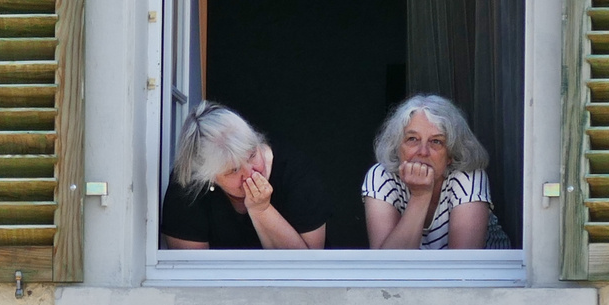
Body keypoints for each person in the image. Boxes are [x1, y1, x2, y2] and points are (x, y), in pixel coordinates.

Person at [161, 103, 329, 249]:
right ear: (208, 177)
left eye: (252, 155)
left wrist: (261, 210)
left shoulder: (296, 171)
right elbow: (189, 272)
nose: (251, 173)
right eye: (234, 170)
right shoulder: (187, 187)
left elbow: (306, 268)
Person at [361, 94, 493, 250]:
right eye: (412, 139)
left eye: (436, 141)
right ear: (397, 147)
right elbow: (387, 268)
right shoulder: (382, 176)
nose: (423, 152)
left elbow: (463, 268)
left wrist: (421, 192)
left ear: (451, 154)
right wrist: (420, 196)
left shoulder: (468, 176)